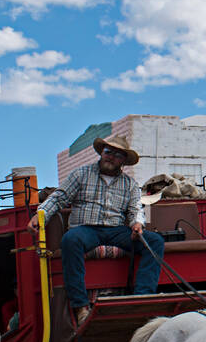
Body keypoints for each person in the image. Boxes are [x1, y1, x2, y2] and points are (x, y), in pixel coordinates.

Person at [30, 134, 165, 328]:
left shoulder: (129, 184)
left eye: (117, 155)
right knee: (71, 240)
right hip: (86, 229)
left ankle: (142, 300)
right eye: (108, 152)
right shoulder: (81, 174)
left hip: (117, 230)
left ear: (123, 161)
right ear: (102, 152)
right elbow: (59, 197)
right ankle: (80, 307)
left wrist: (137, 224)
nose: (111, 157)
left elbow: (136, 208)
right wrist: (40, 215)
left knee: (154, 241)